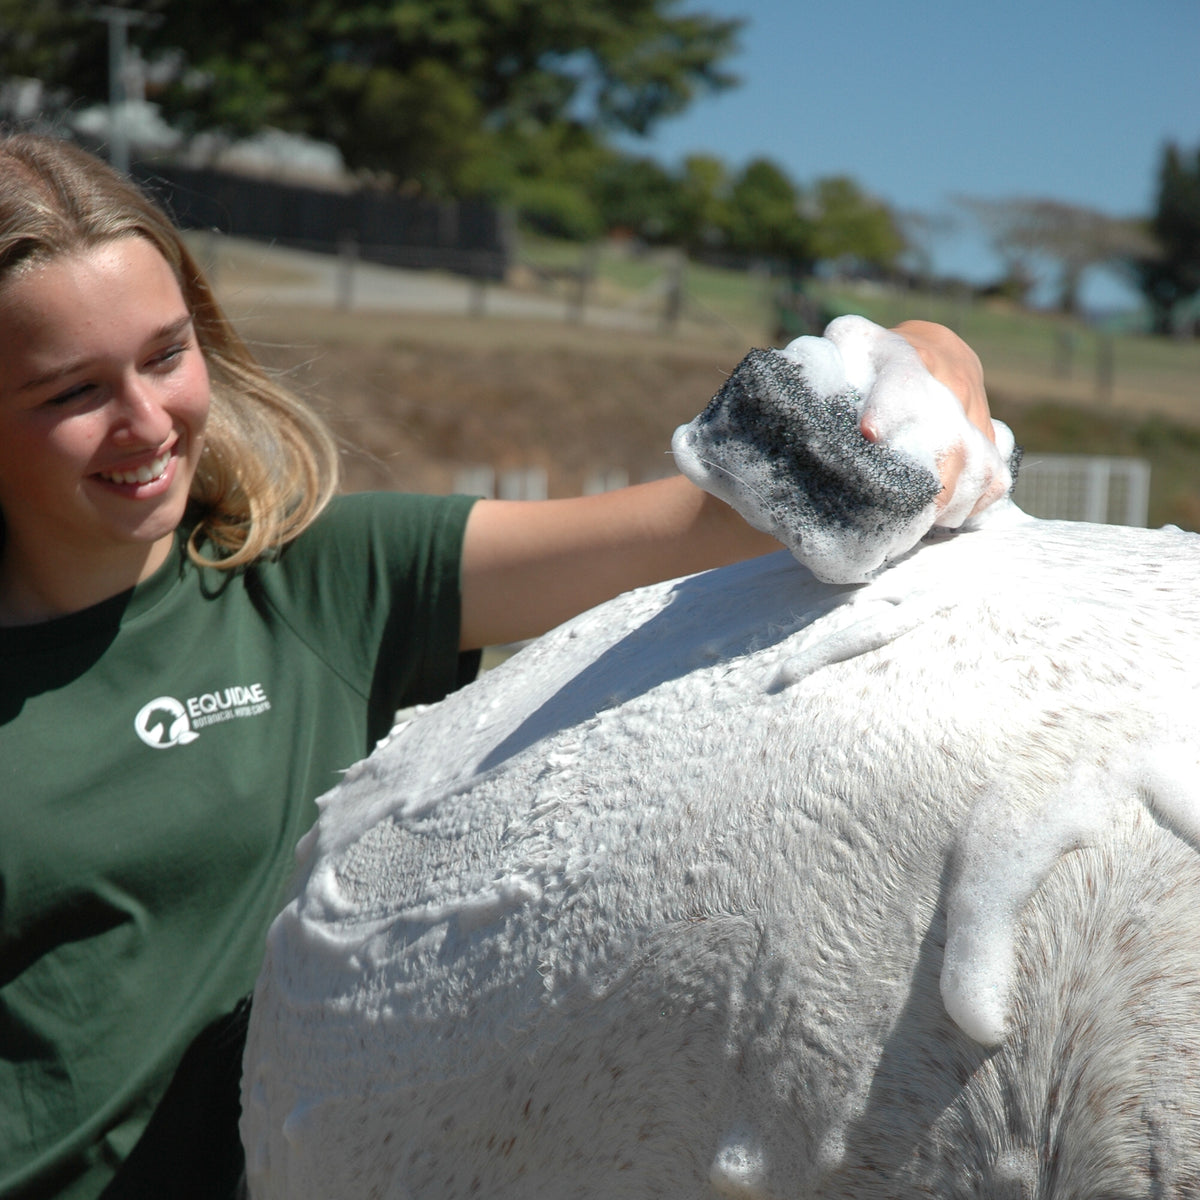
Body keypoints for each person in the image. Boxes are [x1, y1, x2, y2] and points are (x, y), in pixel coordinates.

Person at [0, 130, 998, 1199]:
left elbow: (708, 526)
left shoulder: (319, 585)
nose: (146, 422)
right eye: (72, 393)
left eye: (165, 354)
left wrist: (925, 359)